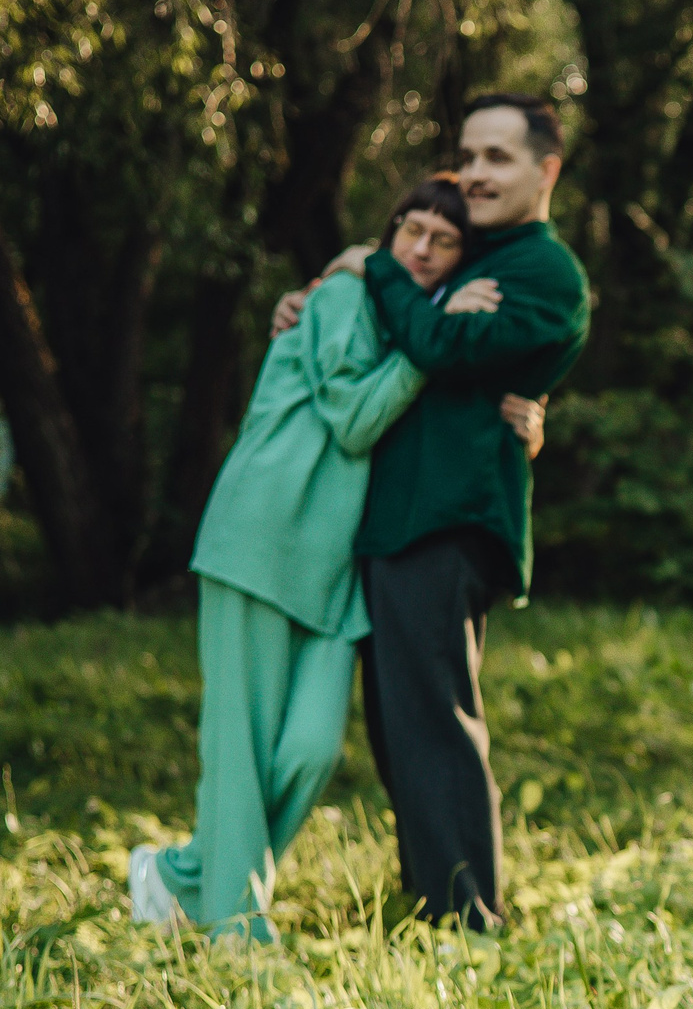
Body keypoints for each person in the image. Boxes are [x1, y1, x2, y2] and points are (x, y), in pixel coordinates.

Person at [127, 175, 546, 940]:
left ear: (462, 260)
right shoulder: (342, 299)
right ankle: (235, 933)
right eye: (407, 230)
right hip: (264, 531)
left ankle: (181, 875)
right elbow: (355, 419)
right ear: (383, 239)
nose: (420, 248)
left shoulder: (419, 325)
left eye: (442, 239)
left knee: (313, 748)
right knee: (241, 747)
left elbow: (452, 394)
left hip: (341, 564)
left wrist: (514, 408)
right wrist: (425, 323)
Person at [276, 92, 589, 931]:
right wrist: (319, 299)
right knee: (402, 722)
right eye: (469, 154)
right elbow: (396, 331)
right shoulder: (465, 256)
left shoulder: (542, 269)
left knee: (434, 721)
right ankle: (435, 904)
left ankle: (466, 921)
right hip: (398, 517)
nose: (476, 173)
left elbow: (441, 346)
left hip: (447, 521)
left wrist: (370, 263)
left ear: (545, 171)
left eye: (498, 158)